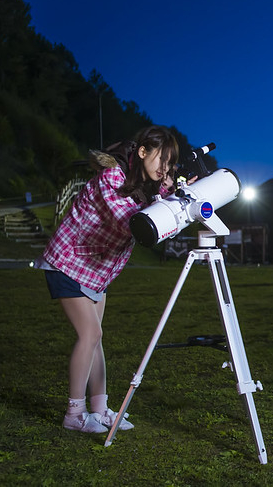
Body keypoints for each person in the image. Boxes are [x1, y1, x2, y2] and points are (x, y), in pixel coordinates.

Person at [34, 125, 179, 434]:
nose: (164, 168)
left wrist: (174, 194)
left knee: (96, 338)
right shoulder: (112, 178)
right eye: (161, 160)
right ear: (142, 152)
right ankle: (74, 413)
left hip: (97, 271)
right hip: (68, 262)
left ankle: (99, 410)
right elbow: (132, 224)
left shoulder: (147, 188)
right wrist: (168, 199)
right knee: (90, 335)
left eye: (170, 163)